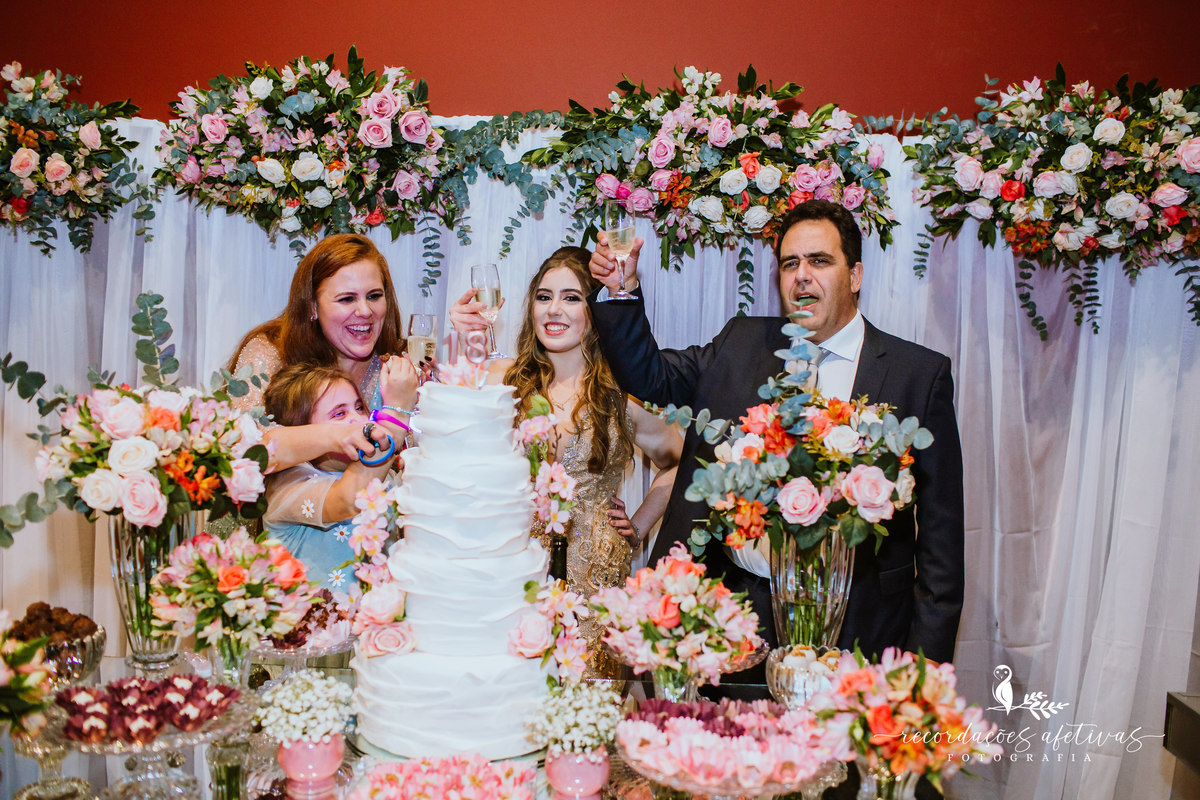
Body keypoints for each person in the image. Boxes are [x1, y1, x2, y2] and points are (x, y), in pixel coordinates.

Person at [587, 200, 965, 667]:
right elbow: (651, 378)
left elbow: (941, 545)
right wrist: (622, 293)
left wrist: (924, 666)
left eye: (819, 261)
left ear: (856, 275)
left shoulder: (918, 375)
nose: (801, 275)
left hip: (862, 626)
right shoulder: (741, 343)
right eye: (790, 264)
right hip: (733, 621)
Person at [451, 246, 683, 678]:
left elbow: (681, 461)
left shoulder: (624, 394)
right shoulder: (503, 379)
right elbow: (451, 430)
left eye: (572, 297)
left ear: (596, 309)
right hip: (511, 574)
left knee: (586, 719)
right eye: (543, 297)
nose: (554, 309)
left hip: (595, 588)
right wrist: (470, 342)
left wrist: (640, 524)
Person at [227, 233, 420, 472]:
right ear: (312, 307)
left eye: (374, 296)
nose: (365, 311)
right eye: (347, 299)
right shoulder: (271, 350)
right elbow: (240, 447)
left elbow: (424, 458)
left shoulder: (398, 364)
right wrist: (338, 435)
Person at [261, 362, 408, 591]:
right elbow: (350, 499)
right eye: (339, 414)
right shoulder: (287, 485)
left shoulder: (384, 475)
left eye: (359, 408)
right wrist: (396, 415)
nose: (359, 421)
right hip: (314, 621)